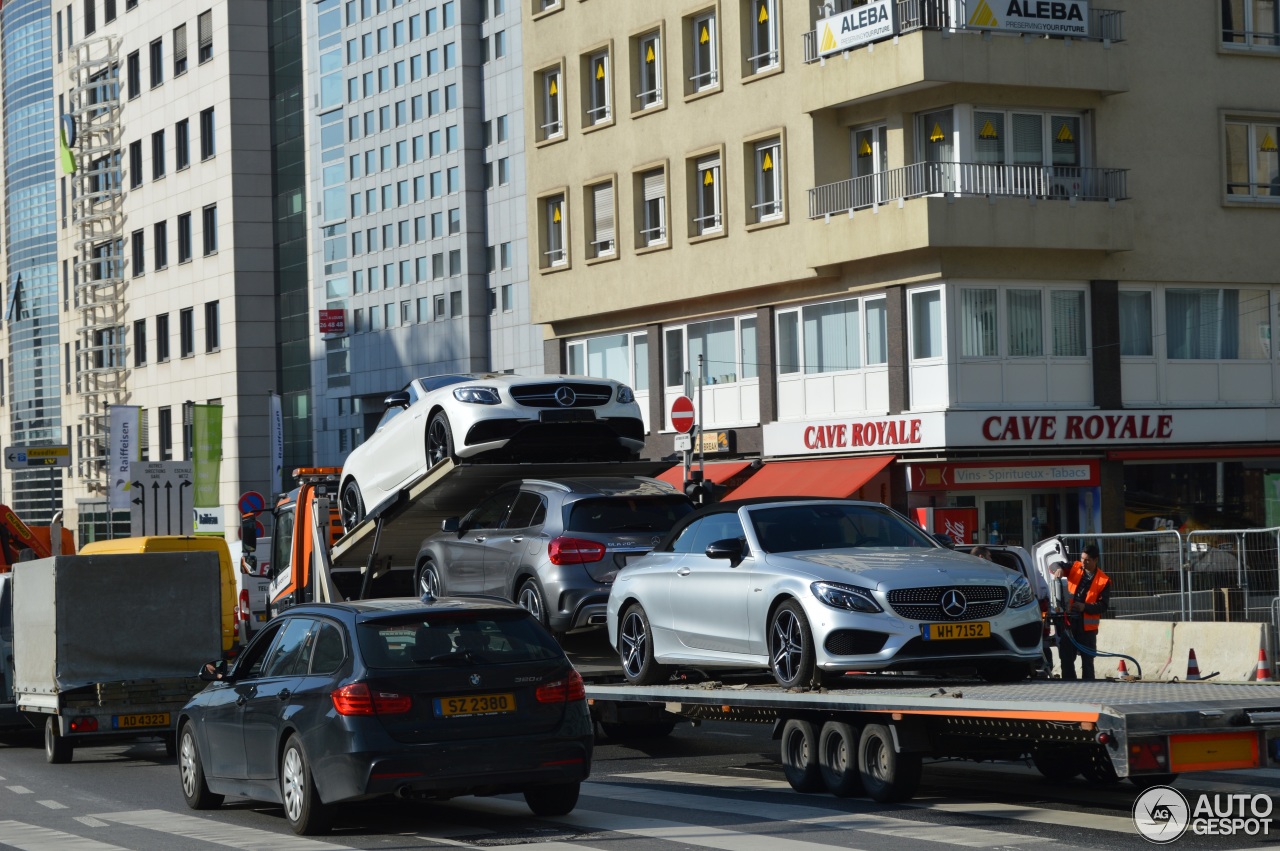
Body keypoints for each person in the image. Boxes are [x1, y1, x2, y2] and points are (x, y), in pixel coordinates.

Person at [1051, 545, 1111, 681]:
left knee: (1087, 661)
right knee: (1066, 658)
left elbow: (1103, 606)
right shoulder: (1075, 567)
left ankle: (1088, 687)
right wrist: (1058, 569)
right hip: (1069, 623)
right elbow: (1054, 564)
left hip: (1087, 629)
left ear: (1095, 560)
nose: (1083, 562)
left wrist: (1085, 607)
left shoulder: (1103, 581)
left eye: (1087, 560)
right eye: (1082, 558)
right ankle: (1068, 685)